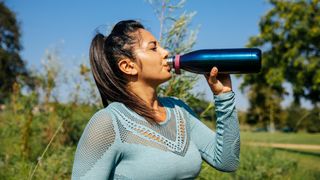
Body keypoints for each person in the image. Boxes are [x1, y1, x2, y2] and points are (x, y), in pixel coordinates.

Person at [71, 20, 240, 180]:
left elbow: (227, 161)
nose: (165, 52)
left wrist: (223, 96)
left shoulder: (178, 110)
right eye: (153, 48)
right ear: (128, 66)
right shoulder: (108, 122)